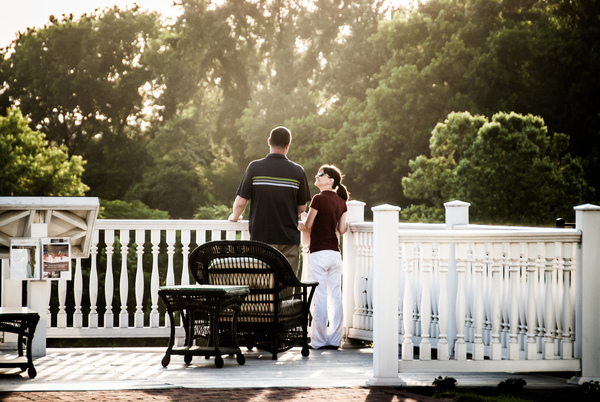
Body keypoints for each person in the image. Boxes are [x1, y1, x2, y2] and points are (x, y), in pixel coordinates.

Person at [229, 126, 311, 276]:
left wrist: (234, 217)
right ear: (288, 145)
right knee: (286, 287)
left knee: (261, 285)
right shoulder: (298, 171)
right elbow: (301, 208)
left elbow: (241, 202)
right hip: (289, 240)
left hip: (261, 239)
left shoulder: (254, 167)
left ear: (269, 142)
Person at [298, 164, 348, 350]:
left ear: (331, 180)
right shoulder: (342, 202)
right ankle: (335, 340)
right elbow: (342, 230)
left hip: (319, 253)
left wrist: (302, 219)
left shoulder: (318, 199)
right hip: (335, 254)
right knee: (335, 296)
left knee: (320, 296)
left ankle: (318, 341)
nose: (317, 176)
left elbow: (308, 225)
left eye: (322, 175)